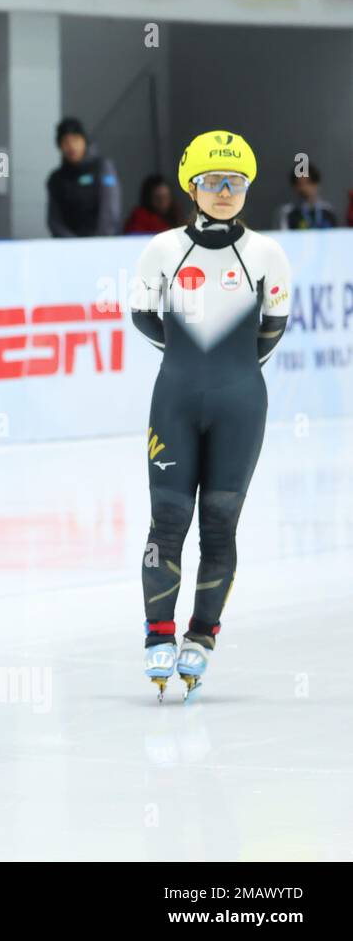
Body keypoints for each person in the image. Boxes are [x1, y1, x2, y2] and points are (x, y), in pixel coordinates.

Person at [130, 130, 292, 701]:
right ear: (191, 188)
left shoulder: (268, 254)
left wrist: (226, 370)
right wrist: (189, 361)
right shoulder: (163, 250)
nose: (225, 192)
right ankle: (158, 632)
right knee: (168, 524)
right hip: (175, 400)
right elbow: (144, 318)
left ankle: (202, 634)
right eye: (213, 183)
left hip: (240, 406)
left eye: (236, 183)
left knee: (220, 526)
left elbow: (272, 330)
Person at [46, 117, 121, 237]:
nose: (71, 146)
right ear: (60, 146)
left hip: (103, 245)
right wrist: (75, 245)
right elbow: (54, 221)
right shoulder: (56, 179)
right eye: (65, 142)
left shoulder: (103, 168)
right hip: (70, 249)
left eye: (75, 140)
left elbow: (110, 211)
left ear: (84, 141)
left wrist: (99, 243)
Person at [275, 164, 339, 230]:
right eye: (300, 184)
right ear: (294, 186)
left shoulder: (328, 211)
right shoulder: (287, 213)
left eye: (308, 182)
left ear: (317, 184)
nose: (304, 188)